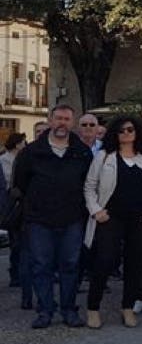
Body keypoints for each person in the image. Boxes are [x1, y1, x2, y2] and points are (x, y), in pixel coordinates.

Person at [14, 105, 93, 329]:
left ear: (73, 123)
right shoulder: (31, 152)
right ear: (50, 120)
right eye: (58, 118)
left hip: (72, 218)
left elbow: (88, 183)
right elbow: (22, 183)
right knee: (41, 266)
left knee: (70, 265)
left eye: (67, 119)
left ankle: (69, 309)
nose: (62, 123)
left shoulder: (81, 152)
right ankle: (45, 311)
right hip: (40, 219)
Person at [83, 115, 142, 329]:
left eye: (130, 129)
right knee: (104, 261)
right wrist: (96, 210)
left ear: (137, 131)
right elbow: (90, 187)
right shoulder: (104, 156)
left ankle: (127, 307)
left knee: (135, 264)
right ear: (114, 134)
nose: (126, 133)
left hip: (140, 219)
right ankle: (93, 308)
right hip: (111, 217)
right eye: (121, 130)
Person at [1, 132, 31, 308]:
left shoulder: (21, 158)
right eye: (22, 142)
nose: (25, 144)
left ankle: (17, 274)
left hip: (18, 204)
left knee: (19, 243)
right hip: (13, 205)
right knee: (16, 242)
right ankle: (15, 274)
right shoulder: (5, 160)